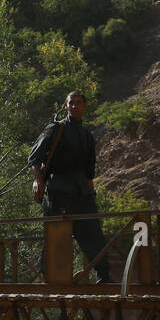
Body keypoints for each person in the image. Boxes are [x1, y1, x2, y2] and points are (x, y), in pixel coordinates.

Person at [28, 90, 111, 284]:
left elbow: (89, 171)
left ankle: (104, 275)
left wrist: (92, 194)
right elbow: (35, 157)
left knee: (93, 233)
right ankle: (49, 279)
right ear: (65, 106)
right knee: (55, 236)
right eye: (71, 102)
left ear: (85, 106)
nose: (74, 106)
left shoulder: (87, 136)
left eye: (79, 102)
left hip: (81, 192)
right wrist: (37, 180)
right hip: (58, 190)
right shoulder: (56, 128)